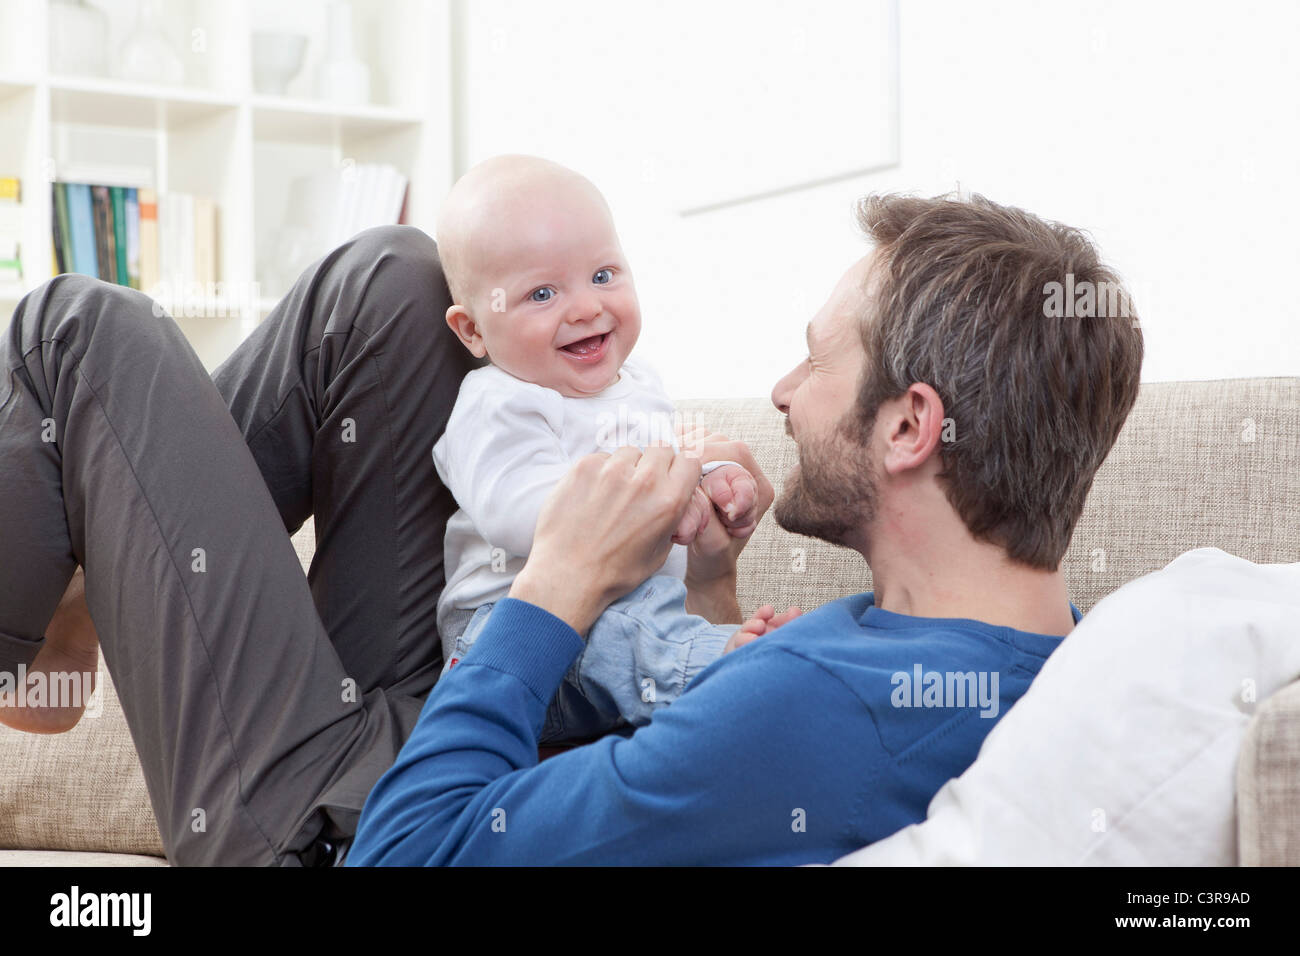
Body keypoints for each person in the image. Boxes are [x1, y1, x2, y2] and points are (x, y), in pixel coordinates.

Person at [345, 192, 1144, 865]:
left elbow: (402, 850)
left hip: (363, 804)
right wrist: (709, 583)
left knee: (381, 282)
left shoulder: (821, 702)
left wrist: (557, 581)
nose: (781, 392)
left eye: (815, 361)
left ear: (909, 428)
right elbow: (702, 774)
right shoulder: (1059, 651)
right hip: (488, 736)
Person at [430, 155, 777, 743]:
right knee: (625, 631)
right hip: (515, 638)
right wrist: (657, 504)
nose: (587, 307)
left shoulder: (639, 385)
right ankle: (711, 668)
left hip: (633, 621)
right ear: (473, 331)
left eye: (603, 275)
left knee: (639, 625)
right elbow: (515, 511)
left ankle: (712, 671)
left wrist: (712, 479)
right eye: (542, 293)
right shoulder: (498, 401)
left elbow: (672, 460)